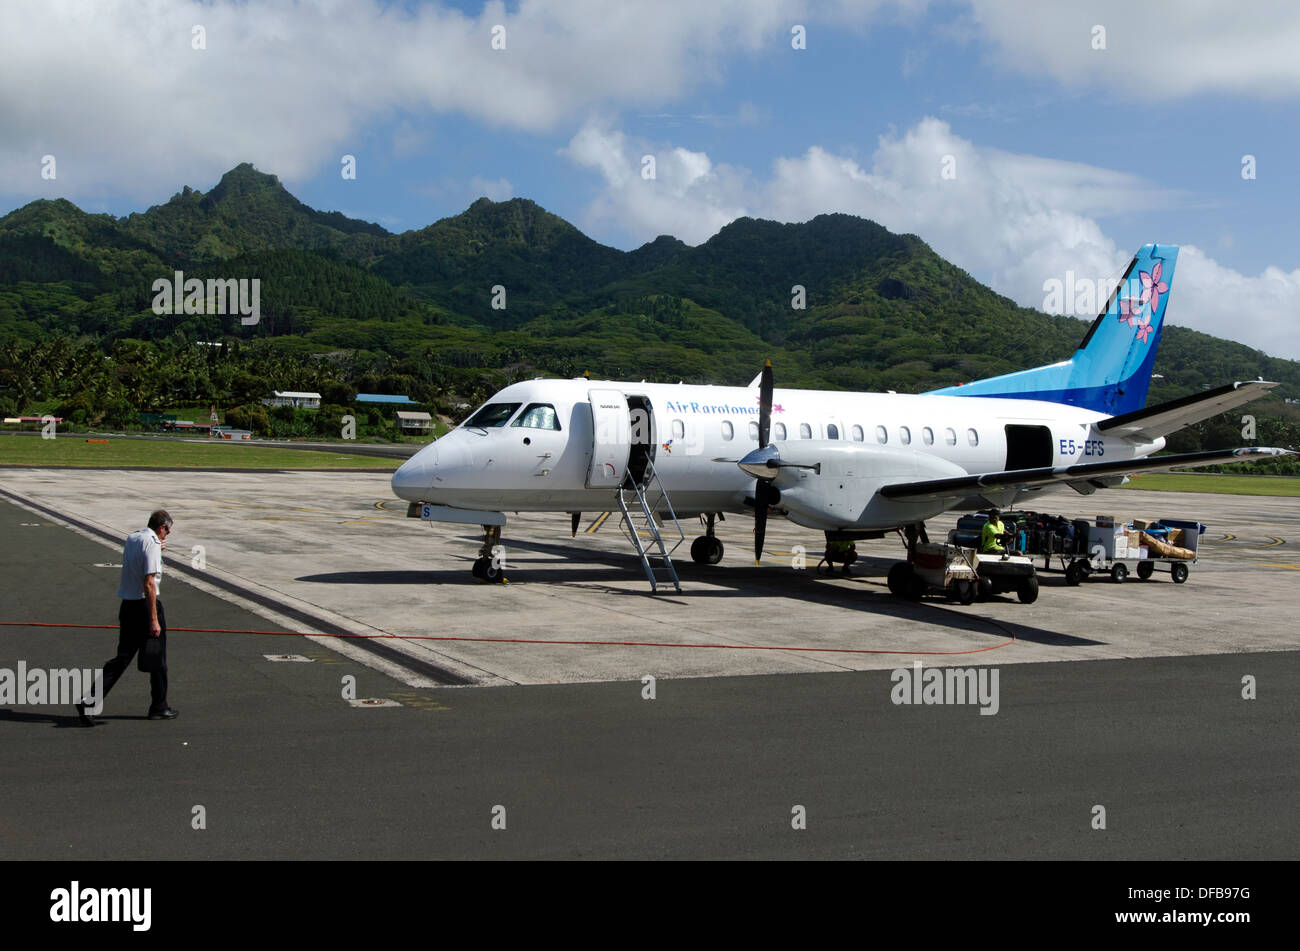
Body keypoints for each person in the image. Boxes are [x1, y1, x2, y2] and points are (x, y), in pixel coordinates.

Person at [75, 510, 178, 725]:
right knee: (158, 659)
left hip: (128, 605)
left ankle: (89, 700)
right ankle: (159, 706)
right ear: (162, 528)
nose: (166, 536)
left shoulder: (134, 538)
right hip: (145, 606)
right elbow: (149, 583)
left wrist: (158, 549)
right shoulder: (153, 544)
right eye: (167, 532)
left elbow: (139, 561)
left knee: (122, 658)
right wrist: (153, 619)